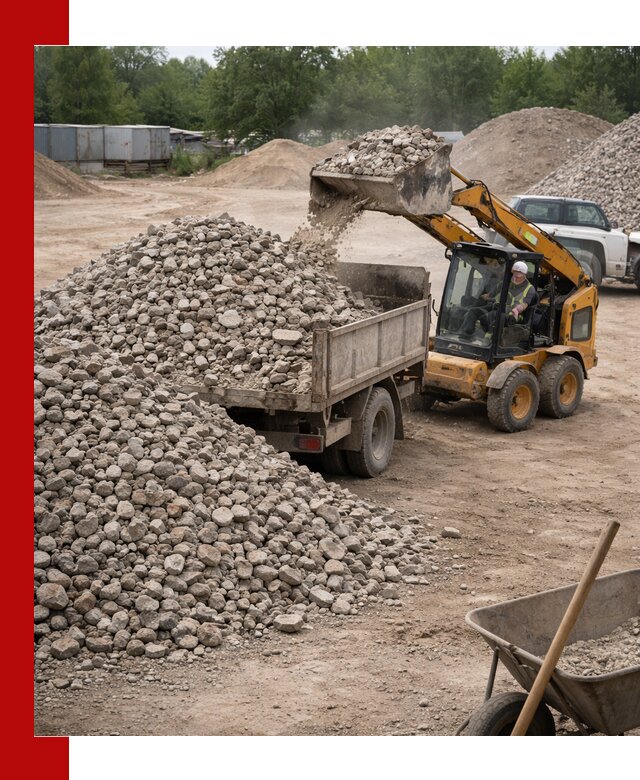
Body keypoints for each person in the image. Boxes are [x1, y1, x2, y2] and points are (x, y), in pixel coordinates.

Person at [460, 260, 535, 338]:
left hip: (512, 316)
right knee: (473, 311)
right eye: (514, 275)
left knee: (490, 316)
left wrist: (517, 310)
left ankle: (489, 339)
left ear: (524, 275)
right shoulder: (506, 282)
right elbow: (492, 293)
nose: (515, 278)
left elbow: (524, 304)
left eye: (518, 277)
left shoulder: (530, 289)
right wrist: (484, 297)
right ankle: (465, 335)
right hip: (498, 309)